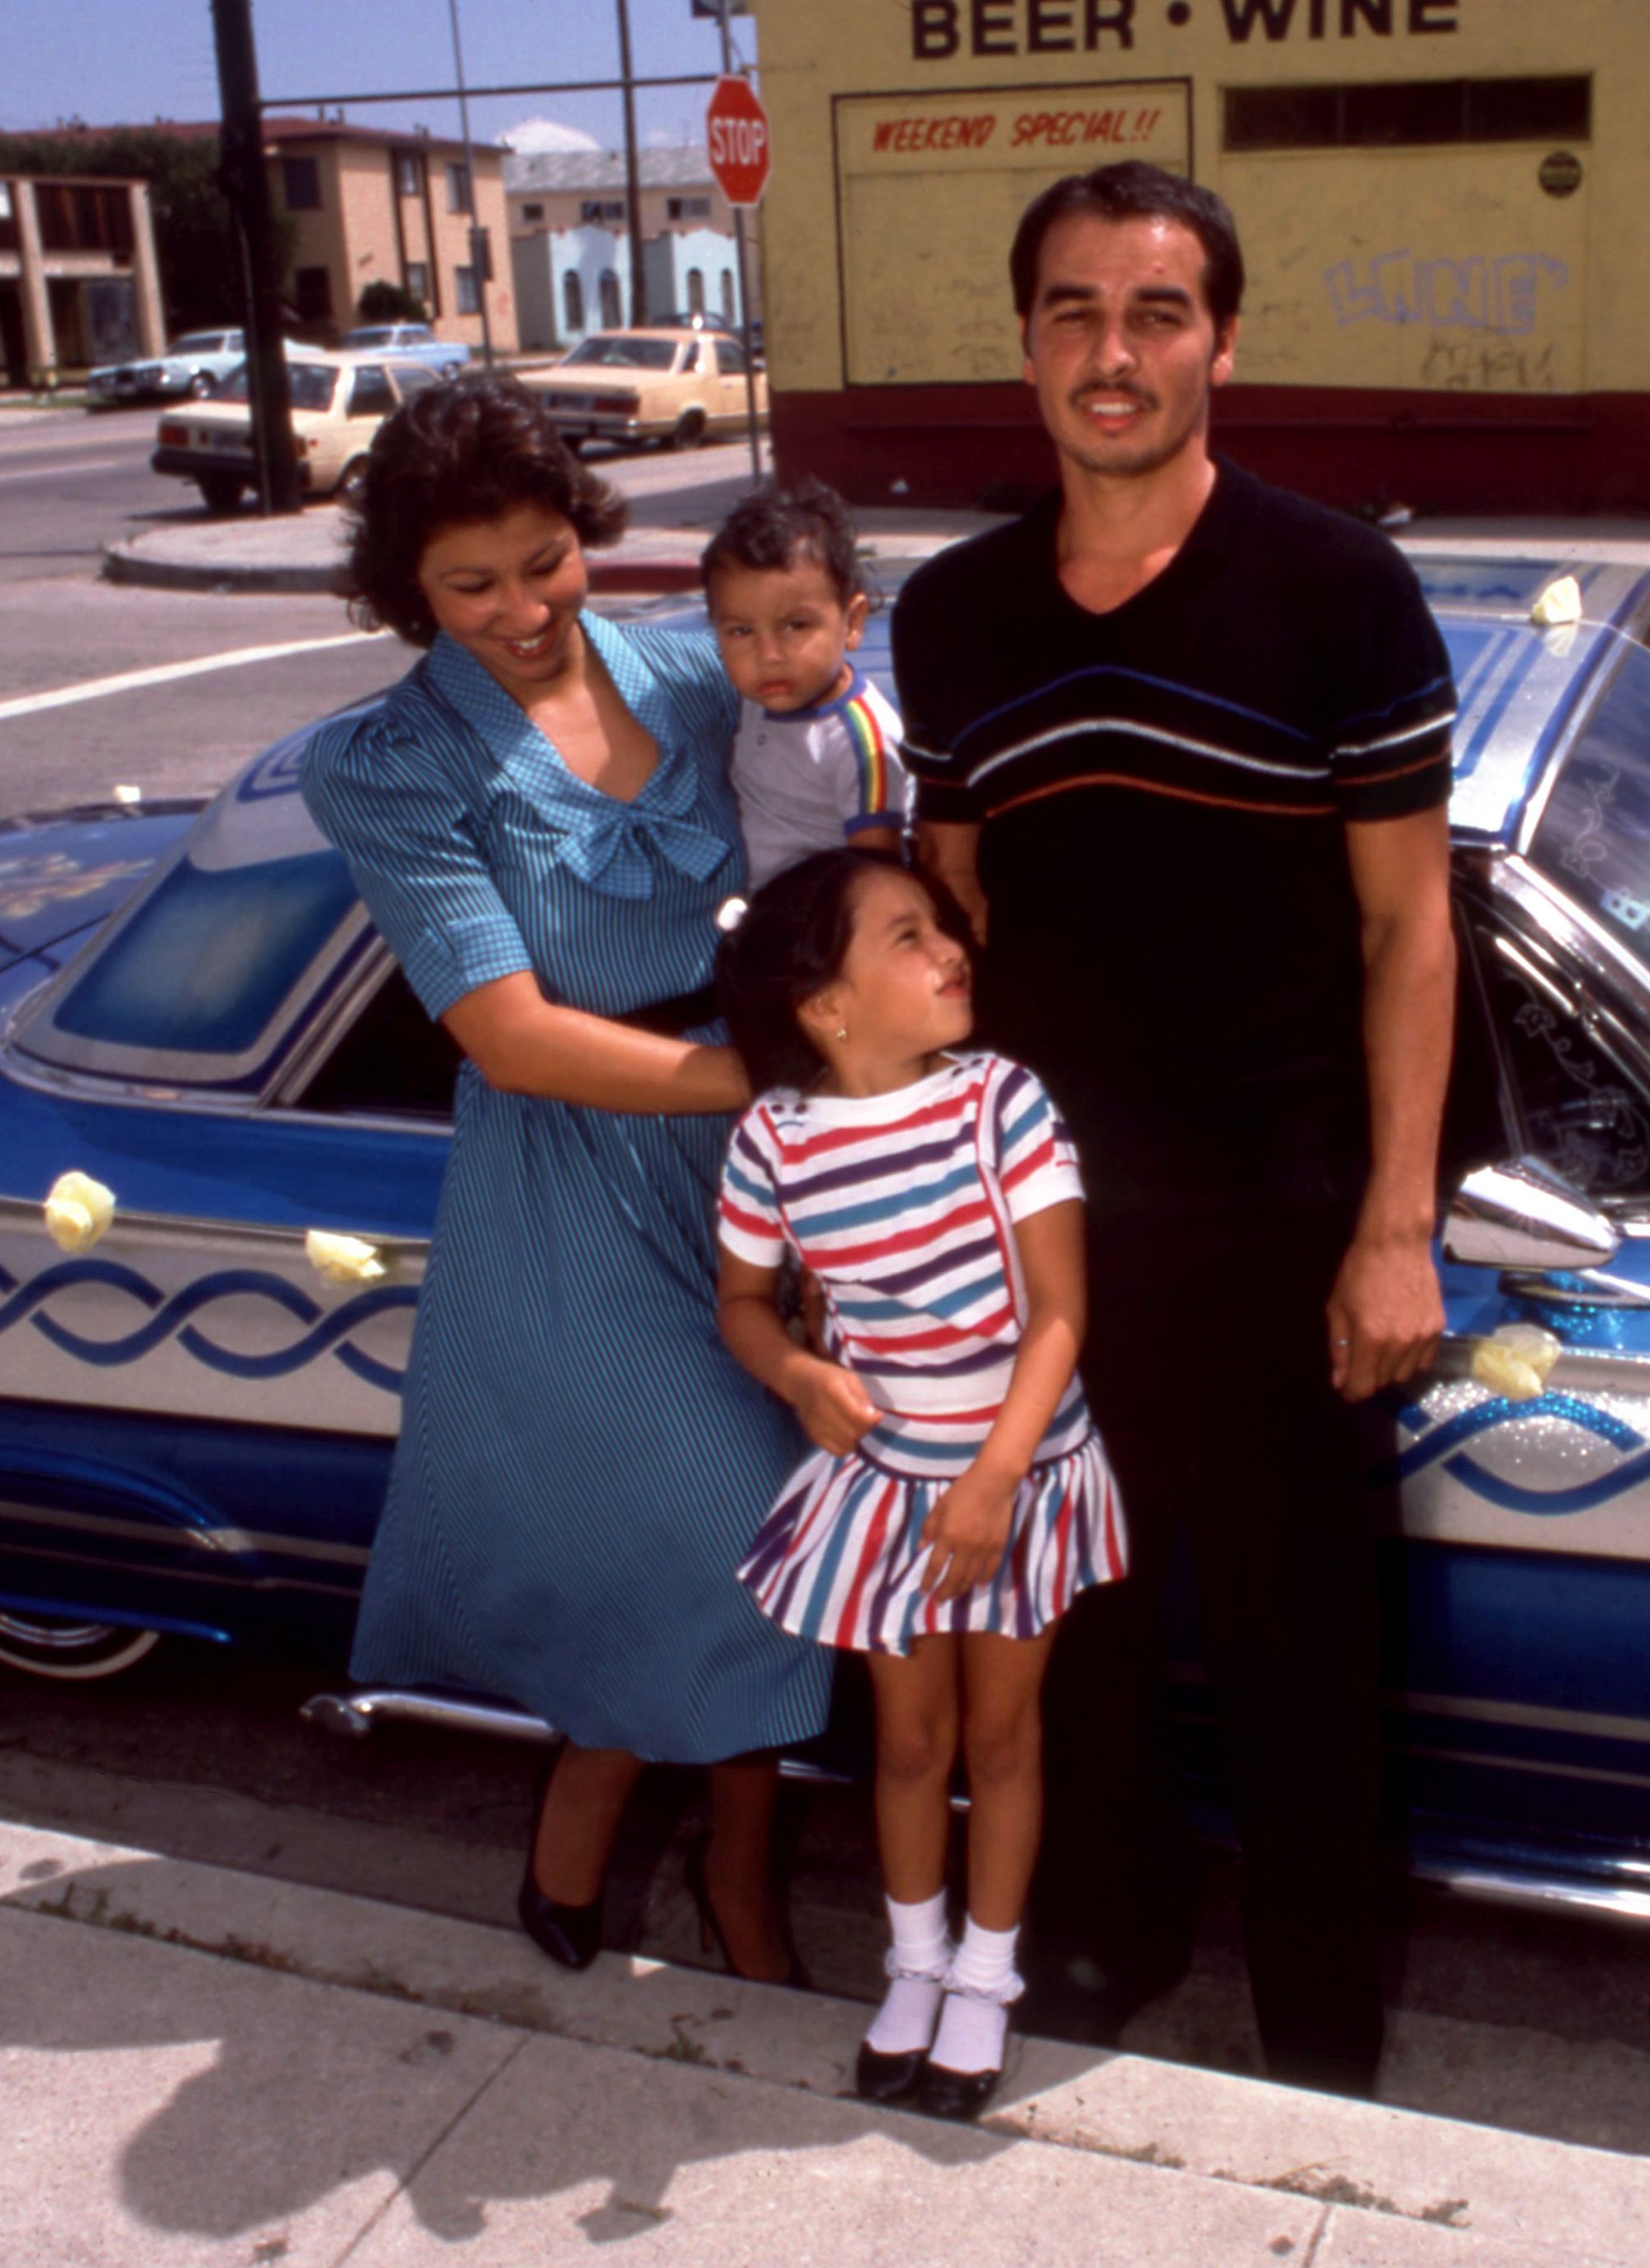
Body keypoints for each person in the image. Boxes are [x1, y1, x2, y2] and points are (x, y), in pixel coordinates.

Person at [888, 160, 1459, 2096]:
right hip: (1040, 1228)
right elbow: (945, 933)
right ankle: (1101, 1941)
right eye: (1070, 313)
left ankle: (1320, 2033)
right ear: (1025, 340)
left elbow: (1407, 925)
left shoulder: (1336, 587)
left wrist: (1393, 1221)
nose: (1109, 354)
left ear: (1221, 338)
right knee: (1082, 1636)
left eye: (1151, 315)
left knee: (1306, 1660)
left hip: (1277, 1211)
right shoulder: (956, 614)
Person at [301, 369, 828, 1989]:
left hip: (751, 1179)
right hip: (572, 1190)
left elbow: (840, 823)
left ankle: (583, 1842)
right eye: (472, 584)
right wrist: (783, 1073)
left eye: (546, 559)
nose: (523, 608)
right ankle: (728, 1882)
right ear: (409, 592)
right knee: (728, 1538)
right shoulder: (387, 764)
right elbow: (513, 1035)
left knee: (772, 1546)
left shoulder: (697, 678)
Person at [707, 848, 1129, 2118]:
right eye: (904, 935)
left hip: (1020, 1476)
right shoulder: (774, 1138)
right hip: (893, 1489)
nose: (948, 946)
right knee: (907, 1742)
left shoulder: (1000, 1101)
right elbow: (739, 1303)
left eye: (940, 925)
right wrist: (795, 1373)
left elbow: (1059, 1313)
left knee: (1001, 1736)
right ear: (824, 1007)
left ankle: (986, 1984)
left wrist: (998, 1476)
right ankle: (915, 1965)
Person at [701, 480, 906, 884]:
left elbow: (878, 879)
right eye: (741, 632)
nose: (769, 655)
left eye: (796, 626)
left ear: (853, 623)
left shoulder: (860, 743)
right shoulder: (753, 700)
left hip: (824, 926)